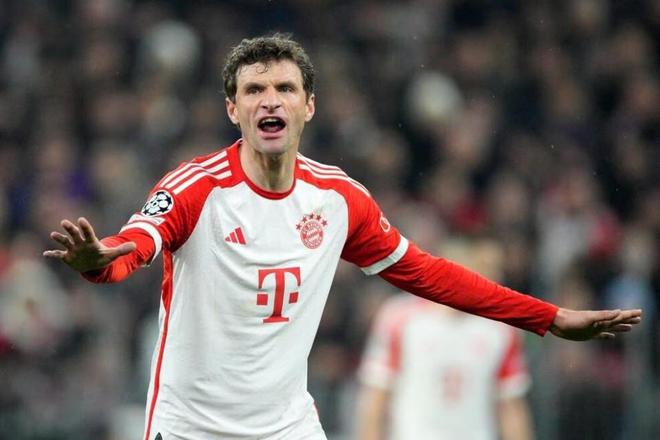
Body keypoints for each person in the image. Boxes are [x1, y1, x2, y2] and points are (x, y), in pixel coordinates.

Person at [43, 34, 641, 440]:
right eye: (254, 91)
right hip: (190, 427)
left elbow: (429, 275)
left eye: (284, 89)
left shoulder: (337, 199)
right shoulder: (198, 187)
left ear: (309, 106)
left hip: (287, 427)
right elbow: (135, 245)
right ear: (232, 109)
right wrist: (98, 263)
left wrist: (548, 317)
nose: (270, 101)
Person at [357, 237, 535, 440]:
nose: (495, 278)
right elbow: (376, 398)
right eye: (485, 267)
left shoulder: (501, 330)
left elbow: (511, 406)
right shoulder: (400, 318)